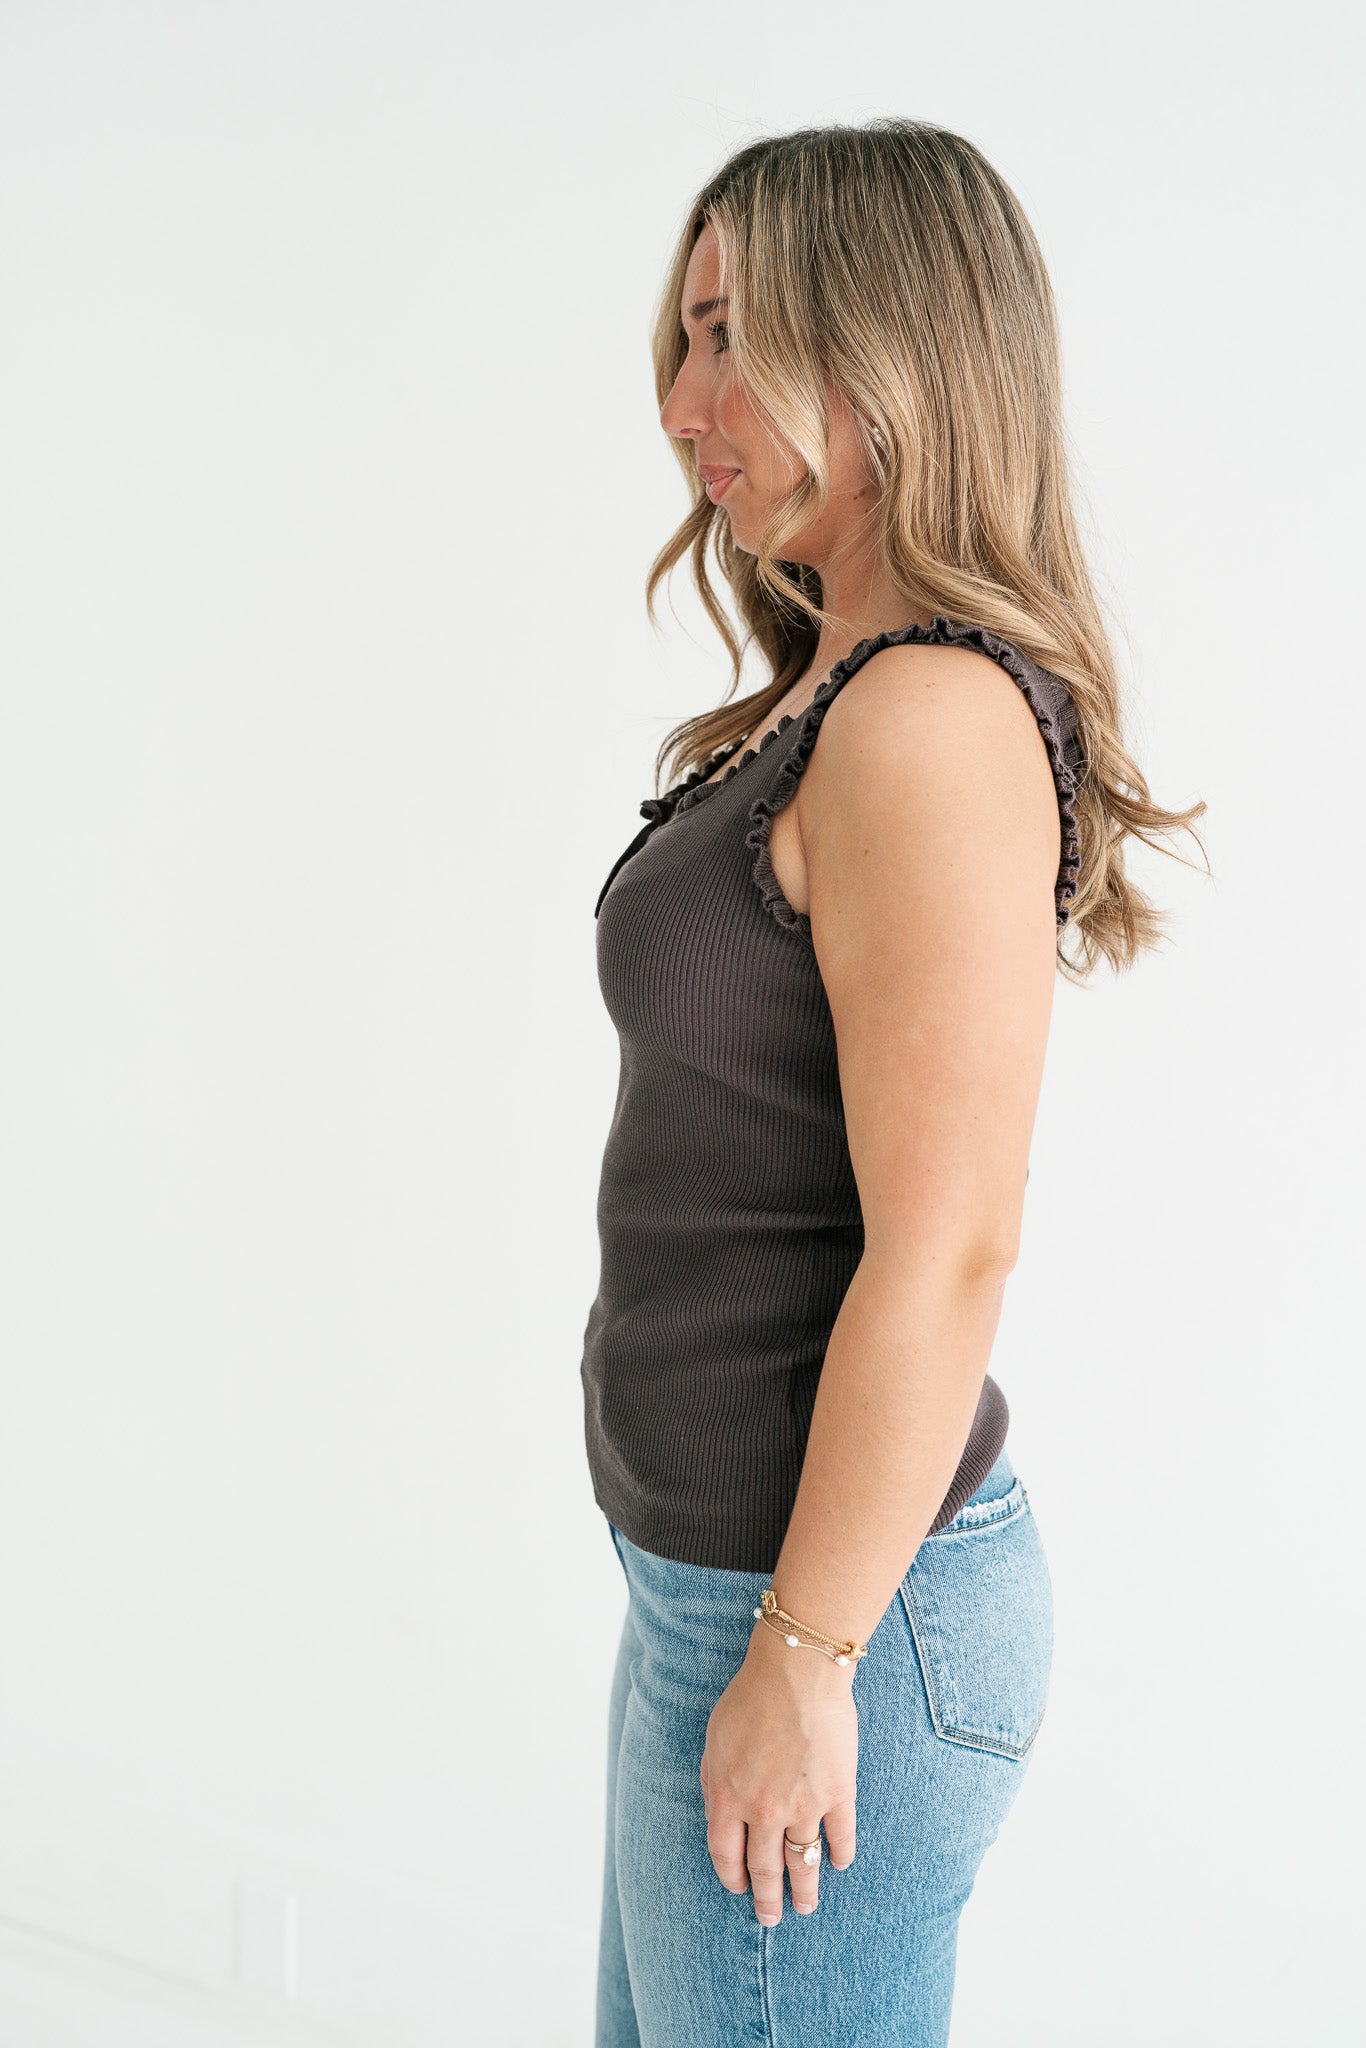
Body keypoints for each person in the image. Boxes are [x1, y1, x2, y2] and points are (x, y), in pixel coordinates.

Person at [579, 118, 1205, 2048]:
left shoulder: (924, 714)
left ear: (888, 345)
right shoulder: (836, 689)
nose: (683, 405)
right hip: (730, 1595)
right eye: (682, 340)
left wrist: (803, 1653)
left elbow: (948, 1249)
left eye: (729, 337)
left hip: (828, 1612)